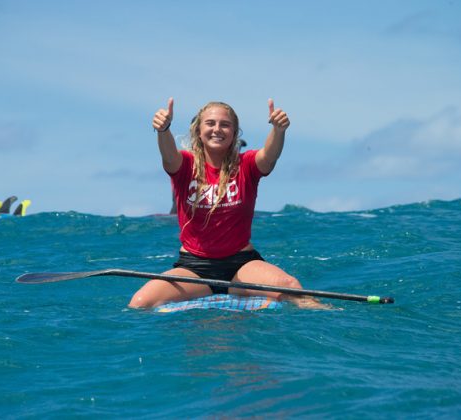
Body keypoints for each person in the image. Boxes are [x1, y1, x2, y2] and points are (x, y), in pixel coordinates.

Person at [129, 98, 326, 309]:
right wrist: (163, 130)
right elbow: (168, 156)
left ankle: (331, 325)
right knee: (140, 303)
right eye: (210, 123)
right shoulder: (185, 164)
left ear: (234, 133)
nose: (217, 129)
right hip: (194, 268)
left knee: (293, 289)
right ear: (198, 130)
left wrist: (278, 130)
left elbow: (269, 157)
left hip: (241, 265)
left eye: (225, 124)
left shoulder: (247, 165)